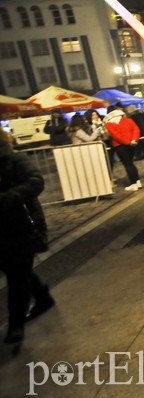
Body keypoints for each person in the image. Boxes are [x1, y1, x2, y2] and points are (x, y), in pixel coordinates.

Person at [0, 129, 56, 343]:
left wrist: (6, 198)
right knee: (15, 270)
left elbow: (36, 181)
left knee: (17, 276)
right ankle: (42, 297)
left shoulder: (15, 159)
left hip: (22, 226)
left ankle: (15, 325)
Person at [104, 106, 142, 191]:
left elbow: (116, 136)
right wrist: (134, 140)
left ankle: (133, 184)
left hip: (120, 146)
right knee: (131, 163)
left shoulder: (109, 124)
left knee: (127, 164)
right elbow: (136, 130)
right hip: (132, 144)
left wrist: (127, 142)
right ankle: (138, 181)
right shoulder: (128, 120)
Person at [85, 109, 115, 173]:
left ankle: (110, 175)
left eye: (96, 114)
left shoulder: (102, 122)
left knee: (110, 160)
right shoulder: (89, 126)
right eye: (93, 115)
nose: (95, 116)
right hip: (97, 144)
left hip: (107, 142)